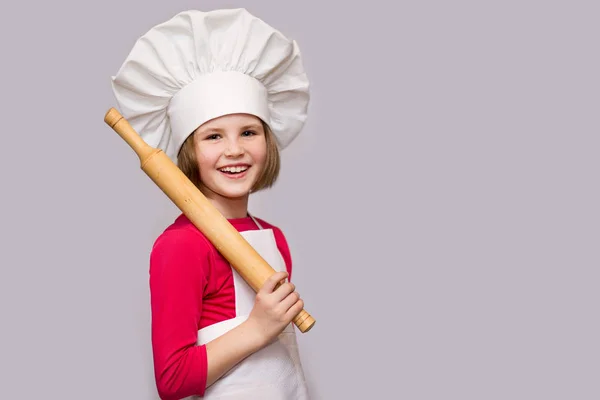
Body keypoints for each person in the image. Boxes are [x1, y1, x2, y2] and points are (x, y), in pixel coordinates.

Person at [110, 8, 311, 400]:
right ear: (189, 150)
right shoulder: (181, 245)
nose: (234, 150)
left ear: (268, 142)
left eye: (248, 132)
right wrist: (257, 328)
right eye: (213, 136)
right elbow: (172, 381)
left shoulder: (274, 238)